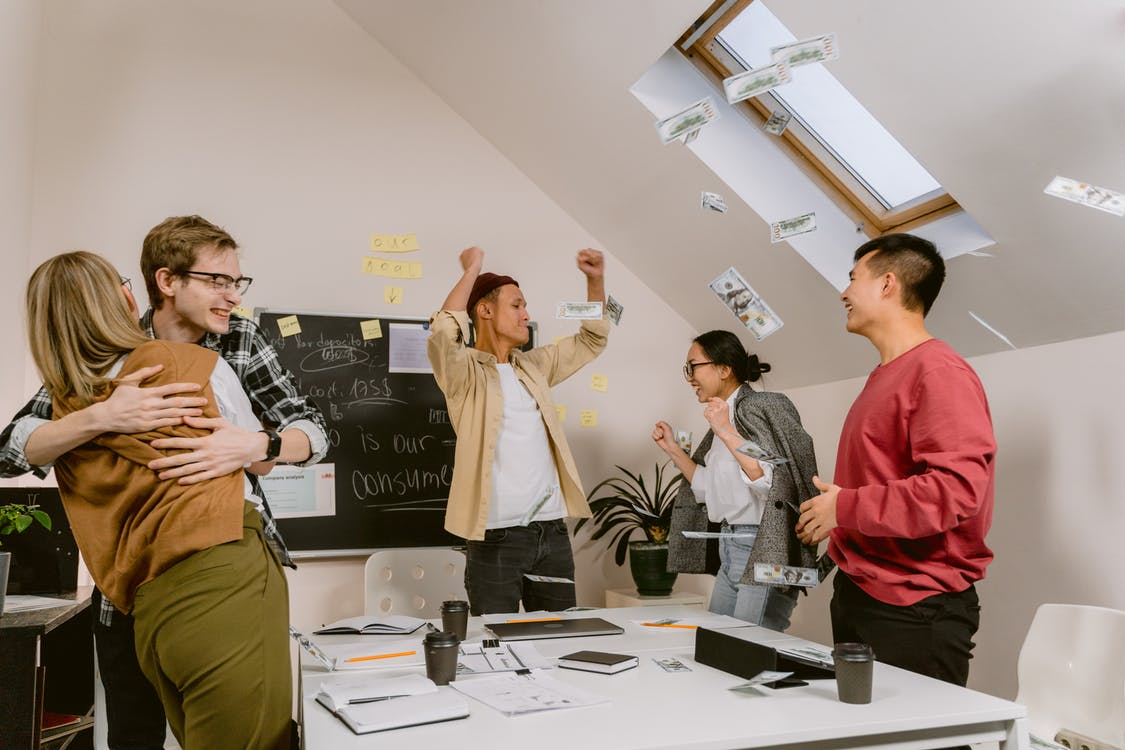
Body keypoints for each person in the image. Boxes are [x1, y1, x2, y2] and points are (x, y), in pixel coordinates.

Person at [0, 215, 327, 749]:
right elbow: (9, 449)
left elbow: (311, 431)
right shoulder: (95, 369)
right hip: (131, 592)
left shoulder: (238, 341)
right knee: (146, 733)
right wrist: (105, 417)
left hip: (205, 557)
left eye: (236, 283)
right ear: (165, 282)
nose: (231, 297)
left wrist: (256, 445)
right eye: (218, 281)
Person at [796, 233, 996, 689]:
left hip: (914, 609)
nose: (843, 293)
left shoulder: (939, 372)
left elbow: (956, 491)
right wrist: (834, 515)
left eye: (852, 280)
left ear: (888, 284)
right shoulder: (887, 374)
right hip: (862, 592)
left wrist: (844, 508)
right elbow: (883, 482)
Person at [427, 245, 609, 615]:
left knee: (560, 641)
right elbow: (444, 331)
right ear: (486, 310)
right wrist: (473, 270)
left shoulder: (534, 366)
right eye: (517, 305)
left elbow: (592, 339)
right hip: (496, 539)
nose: (527, 314)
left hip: (553, 535)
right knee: (497, 648)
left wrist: (595, 280)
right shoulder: (464, 373)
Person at [656, 330, 818, 630]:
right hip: (729, 546)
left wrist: (725, 429)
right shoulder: (721, 421)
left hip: (762, 545)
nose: (689, 377)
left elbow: (774, 474)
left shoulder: (761, 405)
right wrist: (673, 450)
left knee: (750, 648)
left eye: (693, 366)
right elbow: (706, 488)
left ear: (724, 369)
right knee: (717, 641)